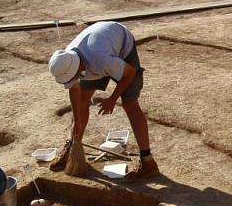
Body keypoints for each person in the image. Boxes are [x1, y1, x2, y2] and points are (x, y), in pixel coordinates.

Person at [47, 21, 158, 181]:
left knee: (129, 104)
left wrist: (112, 99)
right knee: (83, 99)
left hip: (121, 46)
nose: (72, 80)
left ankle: (148, 161)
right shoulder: (66, 58)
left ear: (78, 69)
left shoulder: (101, 60)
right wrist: (77, 121)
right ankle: (72, 147)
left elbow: (130, 73)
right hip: (99, 47)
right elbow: (74, 89)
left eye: (73, 76)